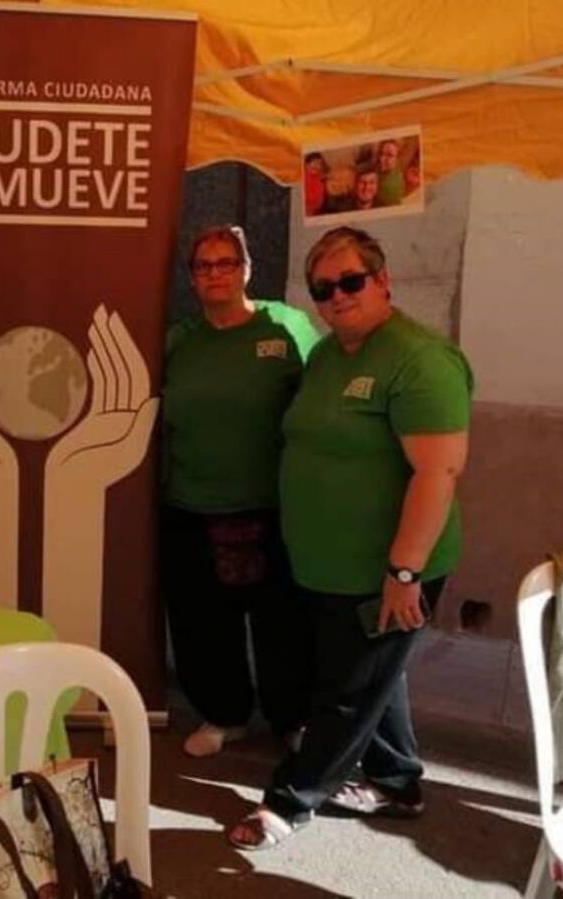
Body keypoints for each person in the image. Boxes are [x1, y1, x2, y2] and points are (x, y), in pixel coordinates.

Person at [228, 226, 472, 848]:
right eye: (322, 289)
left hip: (383, 568)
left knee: (345, 690)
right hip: (326, 564)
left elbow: (438, 473)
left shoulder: (420, 360)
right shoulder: (328, 355)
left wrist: (404, 574)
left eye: (350, 281)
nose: (336, 296)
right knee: (373, 674)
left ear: (383, 280)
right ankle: (397, 782)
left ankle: (290, 800)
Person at [162, 224, 321, 758]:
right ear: (192, 277)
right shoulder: (180, 341)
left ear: (247, 269)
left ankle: (291, 719)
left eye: (226, 262)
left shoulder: (287, 327)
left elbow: (322, 394)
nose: (215, 273)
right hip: (191, 505)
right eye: (204, 265)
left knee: (281, 624)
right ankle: (223, 715)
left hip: (269, 507)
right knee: (202, 623)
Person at [376, 140, 405, 207]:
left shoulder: (394, 184)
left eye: (389, 155)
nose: (382, 159)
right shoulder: (378, 170)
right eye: (381, 154)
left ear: (397, 159)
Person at [303, 152, 327, 217]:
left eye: (320, 164)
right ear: (306, 164)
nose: (317, 166)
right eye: (314, 162)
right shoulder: (303, 178)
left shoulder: (319, 178)